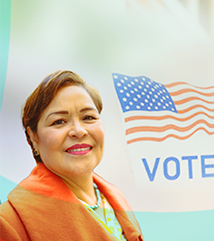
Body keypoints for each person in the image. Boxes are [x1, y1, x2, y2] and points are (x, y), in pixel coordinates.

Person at [0, 70, 144, 241]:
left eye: (88, 117)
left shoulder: (115, 199)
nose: (79, 131)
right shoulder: (10, 221)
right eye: (59, 121)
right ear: (34, 137)